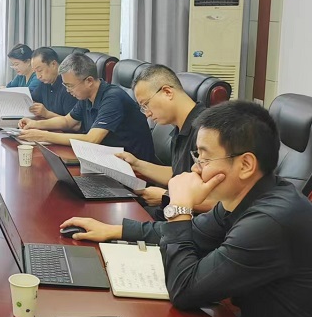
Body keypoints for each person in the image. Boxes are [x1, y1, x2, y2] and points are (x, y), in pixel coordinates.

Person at [61, 101, 312, 317]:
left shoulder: (270, 221)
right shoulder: (247, 198)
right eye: (197, 156)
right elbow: (193, 233)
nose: (195, 167)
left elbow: (185, 290)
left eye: (204, 158)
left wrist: (180, 208)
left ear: (245, 165)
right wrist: (115, 230)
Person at [18, 53, 155, 161]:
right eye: (65, 85)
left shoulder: (113, 98)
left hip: (133, 167)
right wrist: (35, 125)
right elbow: (67, 121)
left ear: (89, 81)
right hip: (107, 158)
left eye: (70, 86)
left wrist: (43, 136)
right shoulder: (86, 96)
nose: (67, 90)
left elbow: (92, 139)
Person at [117, 64, 209, 213]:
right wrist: (136, 164)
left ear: (167, 92)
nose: (147, 114)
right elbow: (177, 173)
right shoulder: (180, 128)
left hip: (190, 218)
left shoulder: (207, 132)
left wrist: (166, 196)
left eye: (146, 104)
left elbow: (221, 200)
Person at [28, 47, 77, 119]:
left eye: (40, 70)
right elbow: (34, 99)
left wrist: (46, 114)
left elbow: (74, 122)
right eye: (35, 72)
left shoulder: (68, 87)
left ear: (53, 64)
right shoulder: (45, 83)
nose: (38, 76)